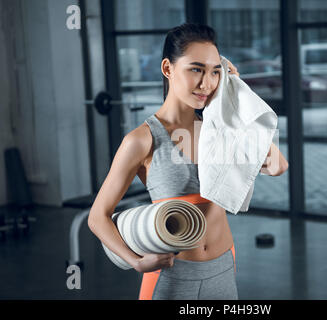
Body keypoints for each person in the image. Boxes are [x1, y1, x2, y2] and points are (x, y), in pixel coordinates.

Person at [88, 23, 289, 300]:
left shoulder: (219, 130)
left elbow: (278, 166)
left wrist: (236, 94)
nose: (207, 84)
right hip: (171, 274)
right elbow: (97, 217)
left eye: (215, 72)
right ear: (168, 69)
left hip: (223, 266)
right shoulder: (142, 140)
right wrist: (136, 262)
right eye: (196, 69)